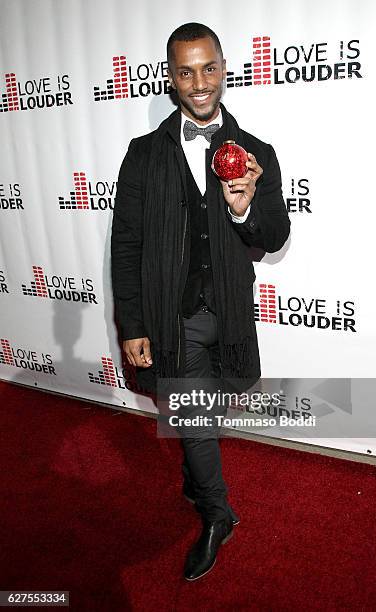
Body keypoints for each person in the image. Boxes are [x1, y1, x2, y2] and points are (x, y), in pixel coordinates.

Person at [111, 22, 291, 581]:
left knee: (216, 403)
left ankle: (194, 476)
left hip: (232, 313)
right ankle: (218, 512)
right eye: (185, 71)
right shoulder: (143, 155)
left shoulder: (256, 153)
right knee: (194, 416)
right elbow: (127, 245)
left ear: (223, 69)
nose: (199, 82)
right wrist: (133, 323)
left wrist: (243, 207)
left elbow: (275, 235)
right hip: (175, 318)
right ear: (170, 77)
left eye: (208, 68)